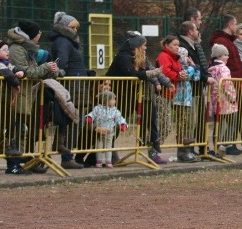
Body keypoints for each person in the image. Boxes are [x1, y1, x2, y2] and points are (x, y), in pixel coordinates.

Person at [5, 20, 61, 175]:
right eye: (38, 33)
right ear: (31, 35)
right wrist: (45, 67)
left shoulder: (26, 48)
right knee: (18, 130)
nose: (40, 35)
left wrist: (51, 70)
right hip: (19, 94)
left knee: (25, 129)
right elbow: (24, 71)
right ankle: (13, 164)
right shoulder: (17, 49)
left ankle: (25, 160)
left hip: (28, 94)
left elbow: (33, 69)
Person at [106, 31, 169, 165]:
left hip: (136, 94)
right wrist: (150, 74)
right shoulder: (123, 57)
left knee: (150, 117)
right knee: (116, 123)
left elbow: (149, 71)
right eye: (144, 45)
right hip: (121, 94)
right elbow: (133, 73)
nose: (146, 47)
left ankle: (154, 143)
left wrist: (160, 82)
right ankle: (106, 152)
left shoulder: (141, 57)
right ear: (137, 45)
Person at [49, 11, 89, 170]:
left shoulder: (67, 42)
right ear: (65, 27)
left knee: (72, 119)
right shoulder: (64, 42)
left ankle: (67, 154)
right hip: (73, 85)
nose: (75, 30)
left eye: (76, 27)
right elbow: (62, 63)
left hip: (76, 82)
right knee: (73, 119)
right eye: (72, 27)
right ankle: (66, 155)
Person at [179, 19, 214, 161]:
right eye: (195, 29)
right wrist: (204, 76)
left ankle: (198, 147)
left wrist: (203, 74)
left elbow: (200, 64)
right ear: (190, 31)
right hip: (189, 89)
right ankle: (186, 150)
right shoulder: (183, 46)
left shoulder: (194, 44)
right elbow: (191, 67)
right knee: (189, 121)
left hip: (197, 86)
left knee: (198, 119)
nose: (198, 30)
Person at [207, 44, 239, 156]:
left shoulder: (210, 68)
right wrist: (232, 97)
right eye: (225, 55)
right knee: (232, 122)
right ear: (219, 56)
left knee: (218, 124)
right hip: (226, 101)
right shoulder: (223, 68)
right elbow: (227, 84)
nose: (227, 57)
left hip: (215, 100)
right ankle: (224, 143)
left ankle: (217, 144)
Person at [86, 90, 128, 168]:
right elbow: (92, 113)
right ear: (106, 100)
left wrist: (123, 124)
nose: (115, 101)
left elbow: (120, 118)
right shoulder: (97, 108)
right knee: (99, 146)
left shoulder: (115, 110)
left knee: (109, 147)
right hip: (99, 132)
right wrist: (89, 117)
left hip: (109, 132)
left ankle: (108, 161)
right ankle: (99, 161)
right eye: (113, 99)